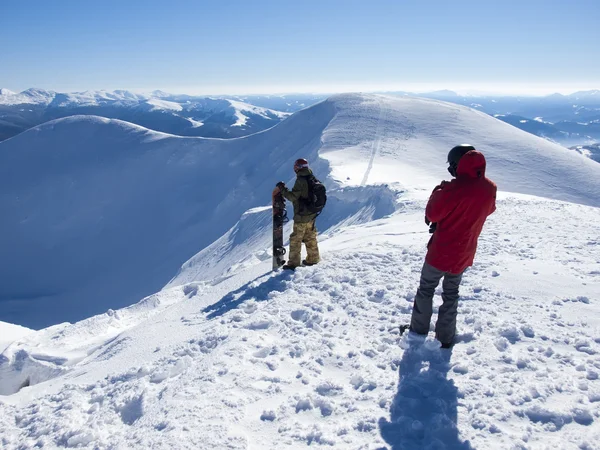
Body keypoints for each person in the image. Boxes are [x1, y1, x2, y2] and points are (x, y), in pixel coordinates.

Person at [409, 145, 496, 348]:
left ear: (458, 166)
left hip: (441, 251)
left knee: (426, 289)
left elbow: (432, 214)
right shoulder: (490, 188)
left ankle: (418, 331)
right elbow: (488, 210)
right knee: (451, 293)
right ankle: (445, 337)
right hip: (464, 252)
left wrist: (439, 191)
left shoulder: (452, 189)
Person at [276, 158, 321, 270]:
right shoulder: (312, 177)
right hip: (312, 214)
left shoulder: (300, 180)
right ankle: (313, 258)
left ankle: (293, 263)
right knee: (310, 236)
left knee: (296, 239)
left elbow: (292, 197)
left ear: (298, 168)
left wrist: (283, 189)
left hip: (302, 215)